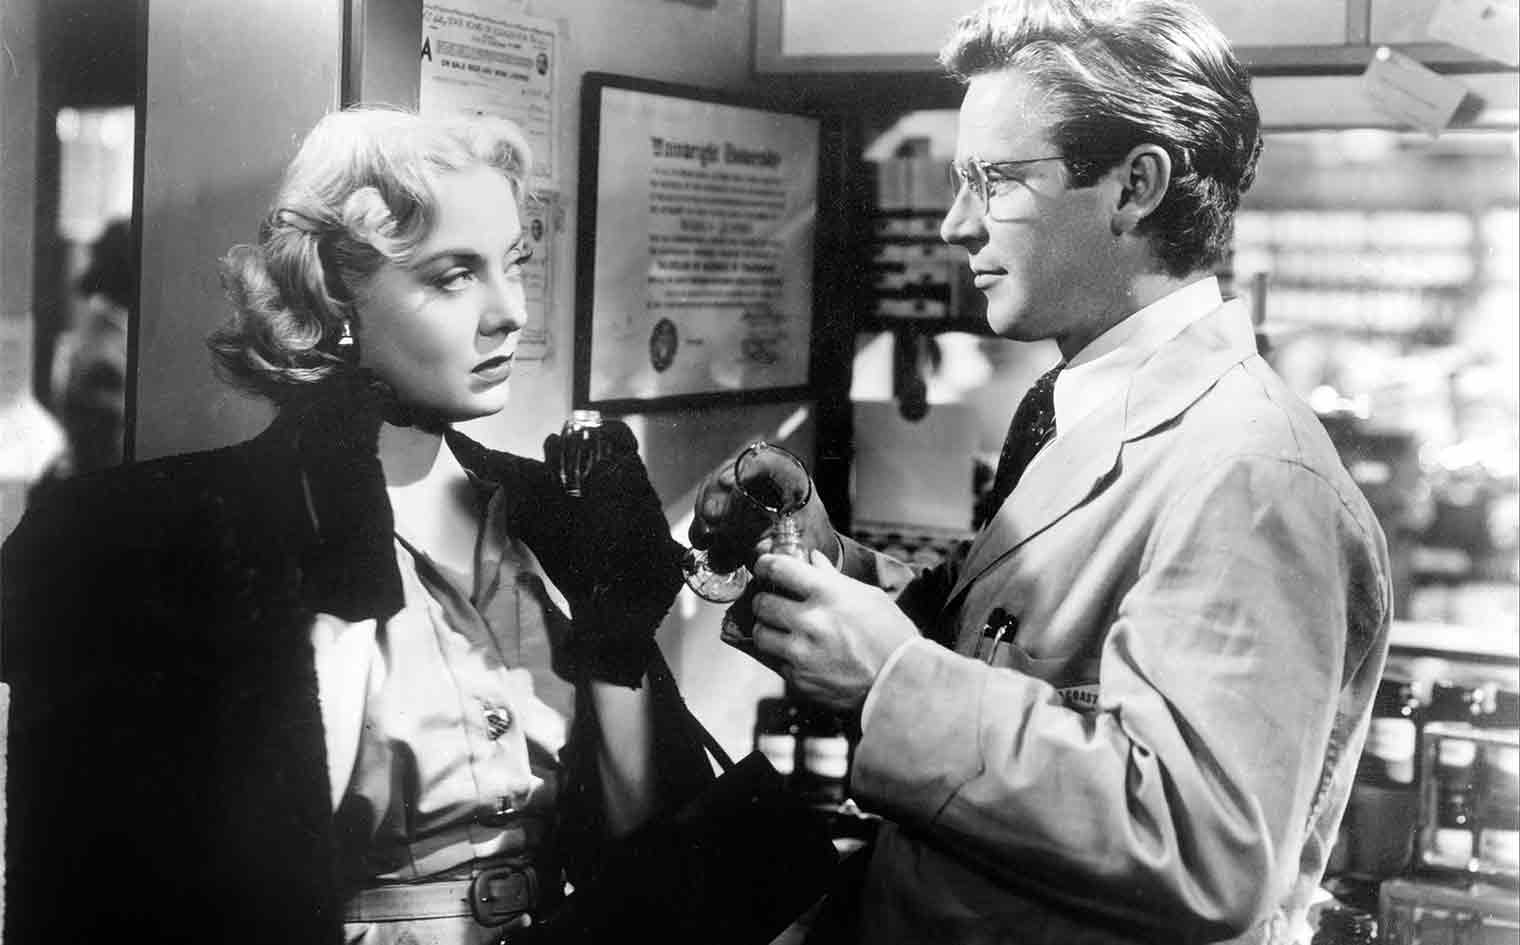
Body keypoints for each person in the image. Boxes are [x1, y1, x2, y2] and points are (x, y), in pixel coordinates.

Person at [690, 1, 1392, 942]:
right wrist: (831, 565)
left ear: (1135, 187)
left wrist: (889, 679)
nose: (955, 224)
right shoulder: (1078, 404)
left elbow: (1204, 846)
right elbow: (1011, 646)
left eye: (997, 181)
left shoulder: (1255, 473)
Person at [1, 106, 710, 944]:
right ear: (334, 296)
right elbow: (230, 871)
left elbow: (651, 862)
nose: (510, 312)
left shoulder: (551, 514)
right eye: (454, 275)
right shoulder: (177, 534)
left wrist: (613, 630)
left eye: (513, 264)